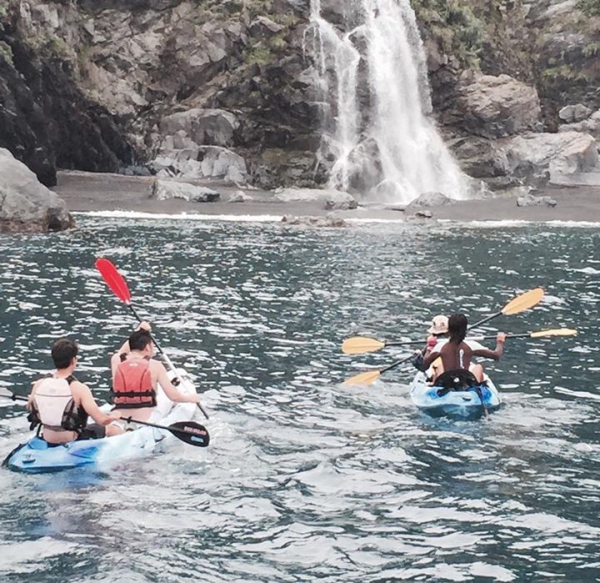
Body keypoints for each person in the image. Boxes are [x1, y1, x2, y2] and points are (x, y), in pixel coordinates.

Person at [27, 338, 122, 444]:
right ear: (73, 360)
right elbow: (101, 420)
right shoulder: (79, 388)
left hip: (47, 436)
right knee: (111, 428)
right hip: (71, 438)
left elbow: (30, 407)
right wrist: (114, 416)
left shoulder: (39, 384)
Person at [110, 323, 204, 422]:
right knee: (170, 398)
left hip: (120, 416)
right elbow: (173, 396)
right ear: (147, 347)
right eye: (152, 345)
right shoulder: (156, 365)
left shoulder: (116, 359)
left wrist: (139, 332)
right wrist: (191, 398)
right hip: (146, 417)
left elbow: (124, 350)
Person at [420, 313, 506, 389]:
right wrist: (500, 341)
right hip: (466, 383)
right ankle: (481, 390)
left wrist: (430, 347)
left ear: (449, 329)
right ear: (465, 329)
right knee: (478, 367)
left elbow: (425, 364)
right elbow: (496, 355)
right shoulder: (471, 345)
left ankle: (434, 387)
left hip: (447, 382)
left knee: (439, 366)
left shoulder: (440, 346)